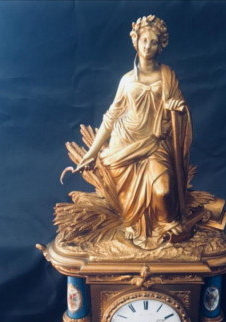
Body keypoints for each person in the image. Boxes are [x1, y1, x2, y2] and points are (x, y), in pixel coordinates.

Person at [77, 15, 192, 249]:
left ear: (161, 45)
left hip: (156, 142)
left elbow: (179, 107)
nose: (148, 46)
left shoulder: (168, 75)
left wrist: (177, 109)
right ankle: (132, 223)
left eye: (153, 42)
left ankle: (165, 223)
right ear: (136, 42)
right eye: (144, 40)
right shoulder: (127, 80)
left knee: (163, 190)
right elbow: (111, 116)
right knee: (129, 193)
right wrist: (92, 152)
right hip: (125, 141)